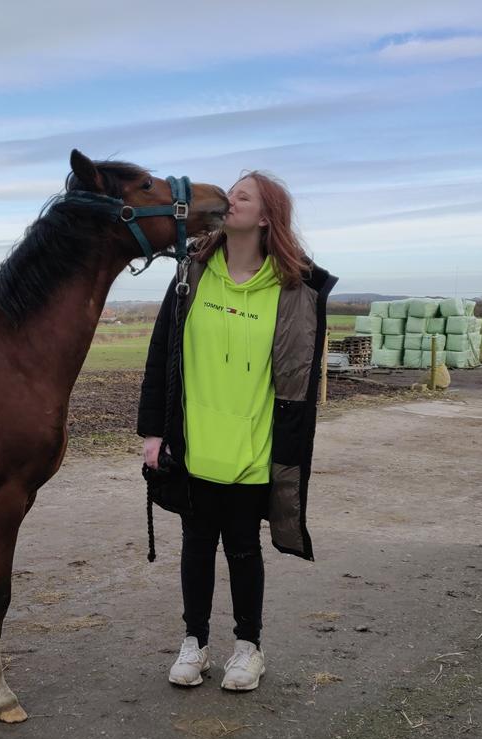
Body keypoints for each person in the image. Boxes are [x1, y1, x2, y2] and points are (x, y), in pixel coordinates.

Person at [137, 171, 337, 691]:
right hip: (196, 443)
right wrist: (153, 433)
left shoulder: (295, 290)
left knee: (244, 548)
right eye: (231, 193)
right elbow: (161, 356)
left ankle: (248, 648)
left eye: (243, 195)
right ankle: (195, 645)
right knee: (196, 546)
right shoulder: (191, 275)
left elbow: (297, 380)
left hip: (254, 447)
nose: (230, 200)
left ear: (267, 216)